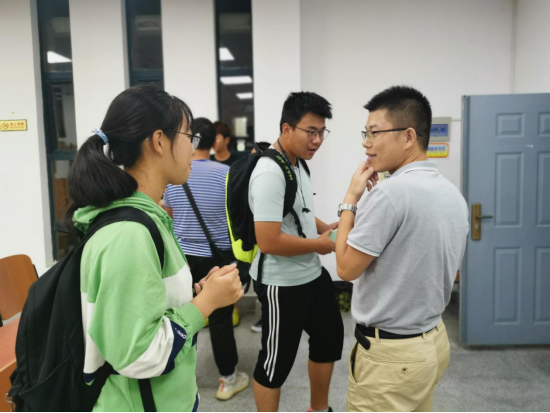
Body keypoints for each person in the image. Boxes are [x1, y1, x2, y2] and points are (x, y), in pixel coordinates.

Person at [67, 86, 243, 412]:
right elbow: (137, 353)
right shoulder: (129, 234)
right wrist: (204, 305)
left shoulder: (149, 218)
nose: (193, 149)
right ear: (159, 141)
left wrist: (197, 294)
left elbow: (147, 306)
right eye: (188, 137)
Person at [335, 86, 470, 413]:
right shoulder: (451, 193)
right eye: (365, 134)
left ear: (409, 136)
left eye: (375, 132)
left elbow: (346, 268)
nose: (366, 143)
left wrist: (350, 199)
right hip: (432, 342)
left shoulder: (389, 195)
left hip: (391, 358)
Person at [249, 92, 344, 412]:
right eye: (310, 132)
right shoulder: (269, 172)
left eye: (322, 132)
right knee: (275, 363)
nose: (317, 140)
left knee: (329, 339)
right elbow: (268, 241)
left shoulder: (298, 163)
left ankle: (318, 409)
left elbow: (297, 210)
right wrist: (319, 245)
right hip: (281, 282)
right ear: (287, 128)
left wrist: (323, 227)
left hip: (311, 273)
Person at [163, 118, 250, 401]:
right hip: (218, 260)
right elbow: (238, 217)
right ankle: (227, 380)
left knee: (186, 315)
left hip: (183, 261)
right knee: (221, 320)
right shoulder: (227, 174)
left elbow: (168, 216)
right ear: (213, 142)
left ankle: (184, 379)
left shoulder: (175, 176)